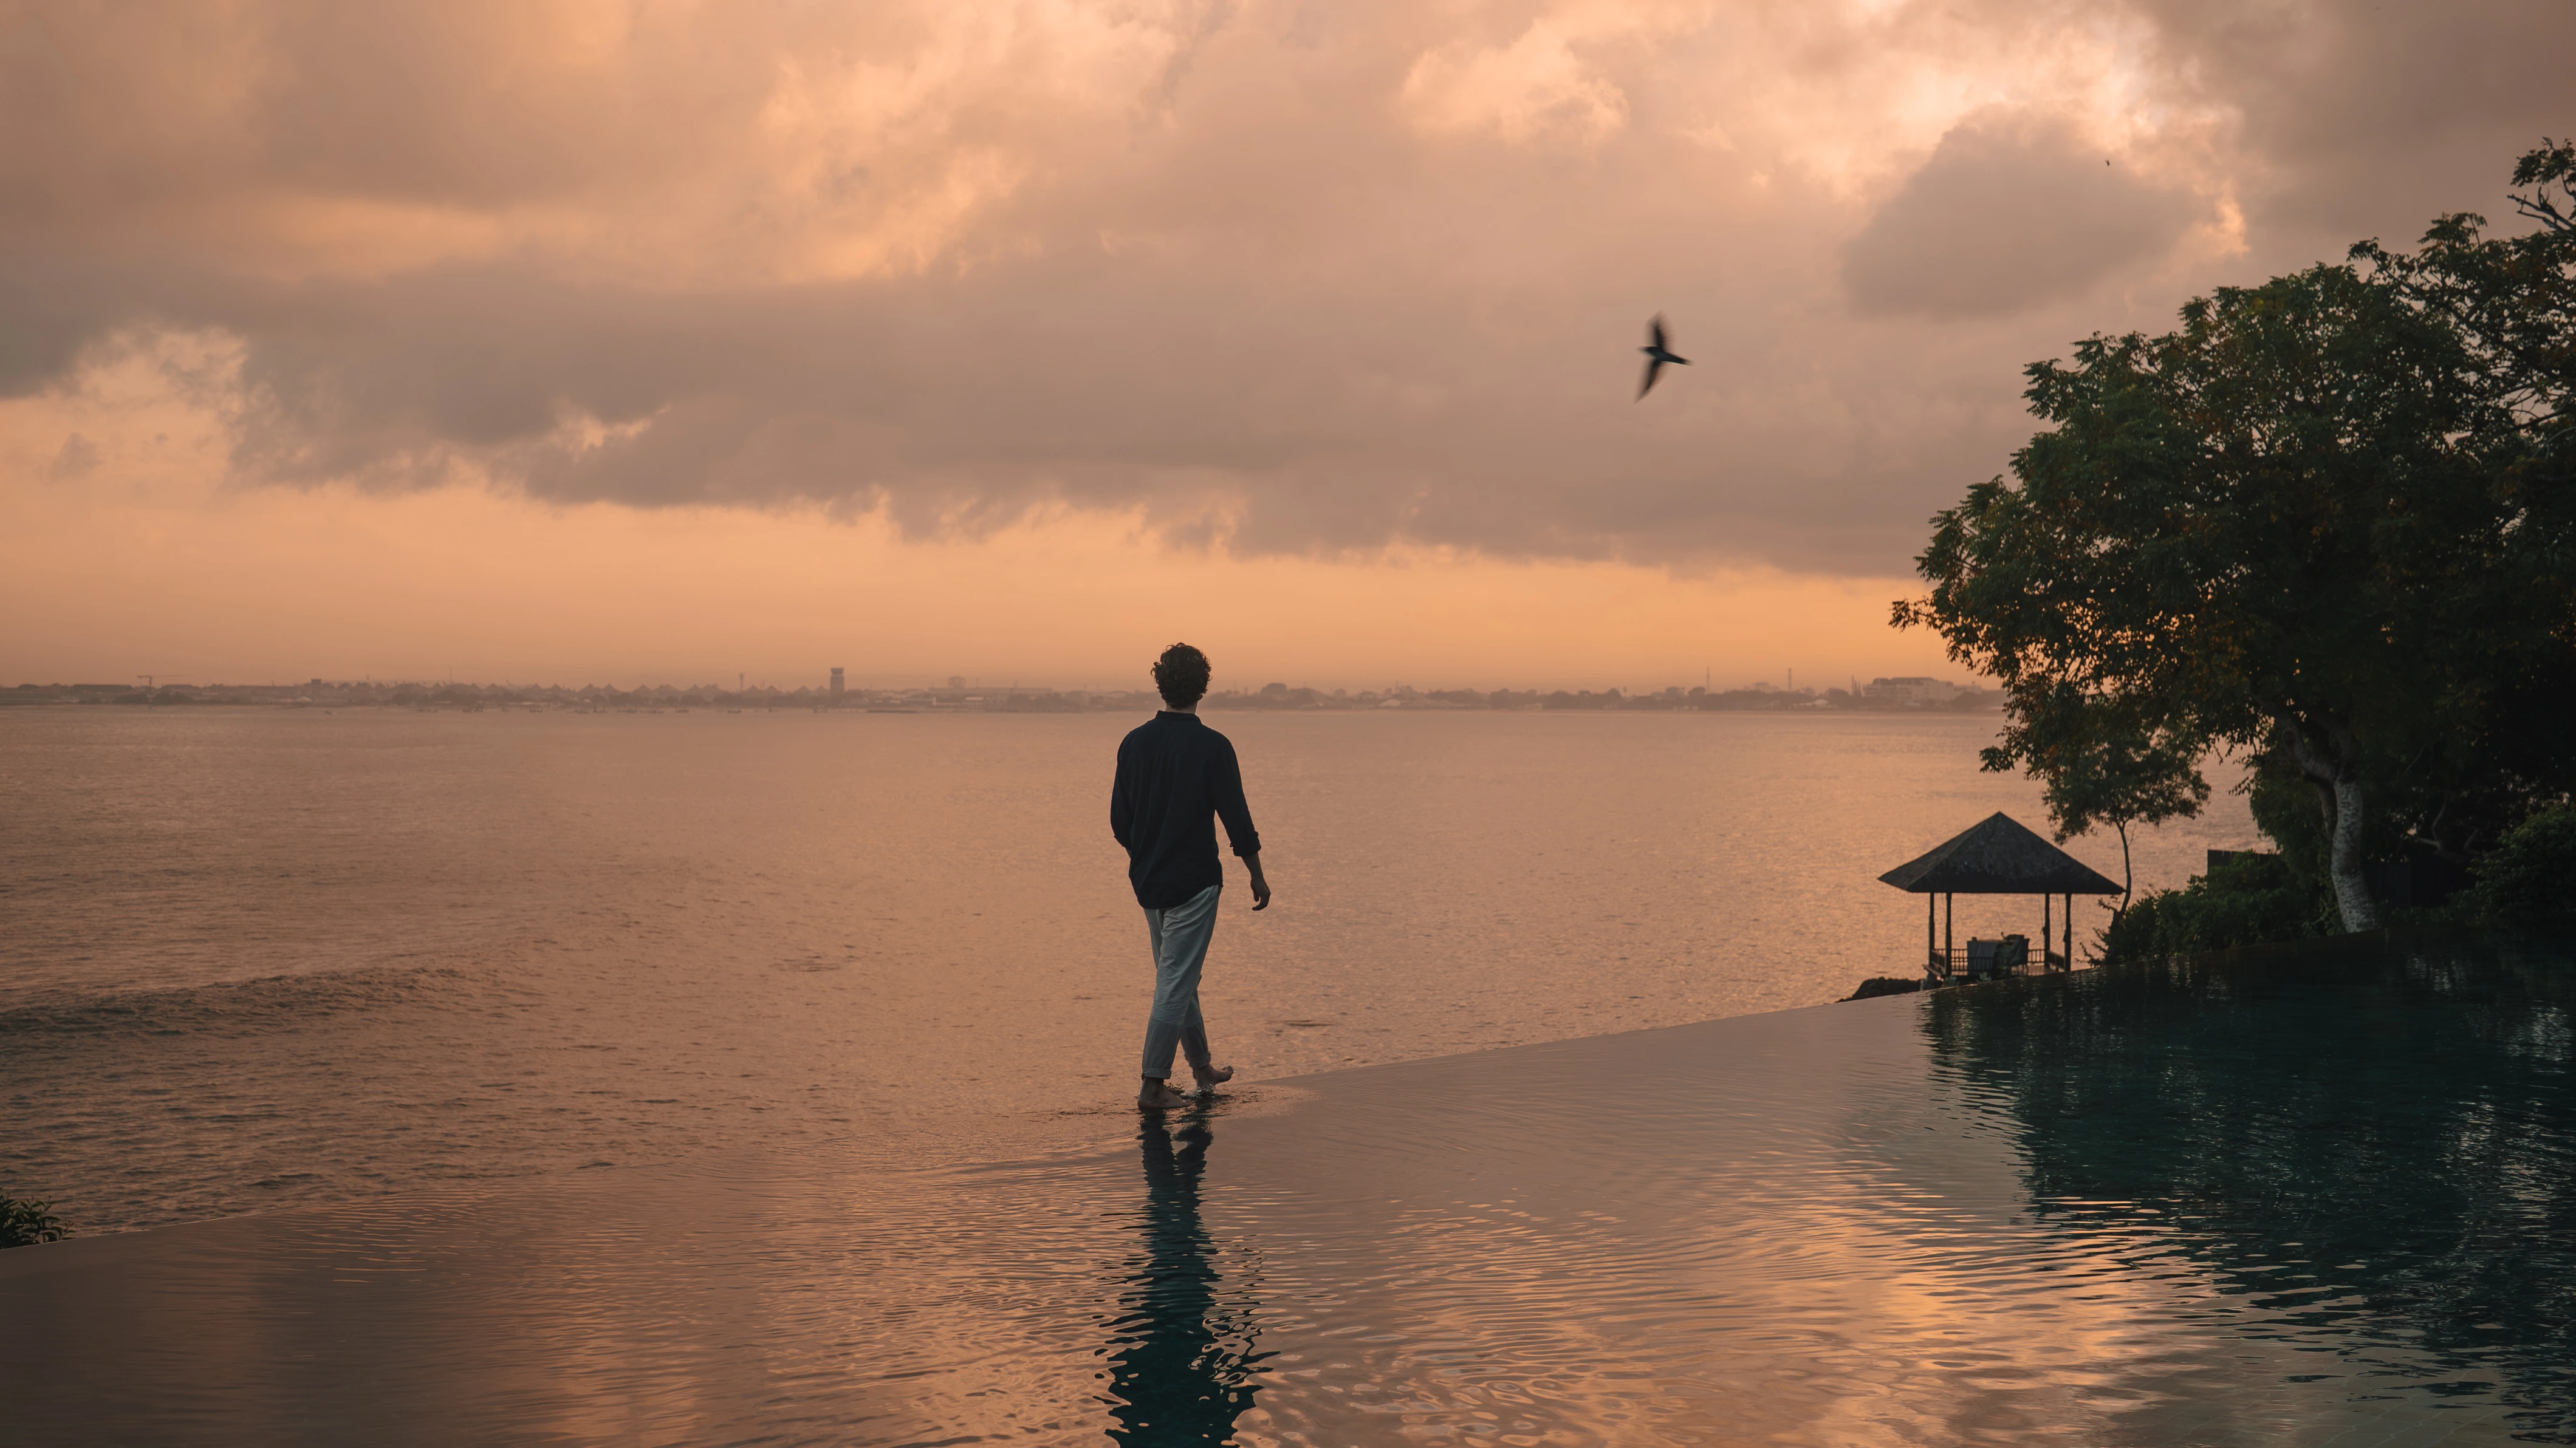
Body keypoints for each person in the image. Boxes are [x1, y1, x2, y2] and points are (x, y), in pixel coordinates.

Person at [1111, 643, 1272, 1111]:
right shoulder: (1213, 746)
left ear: (1161, 685)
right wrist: (1257, 875)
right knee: (1176, 980)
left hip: (1149, 881)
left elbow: (1121, 820)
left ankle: (1201, 1068)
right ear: (1203, 687)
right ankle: (1152, 1084)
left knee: (1178, 975)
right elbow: (1236, 819)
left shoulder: (1134, 742)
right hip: (1195, 883)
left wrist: (1145, 856)